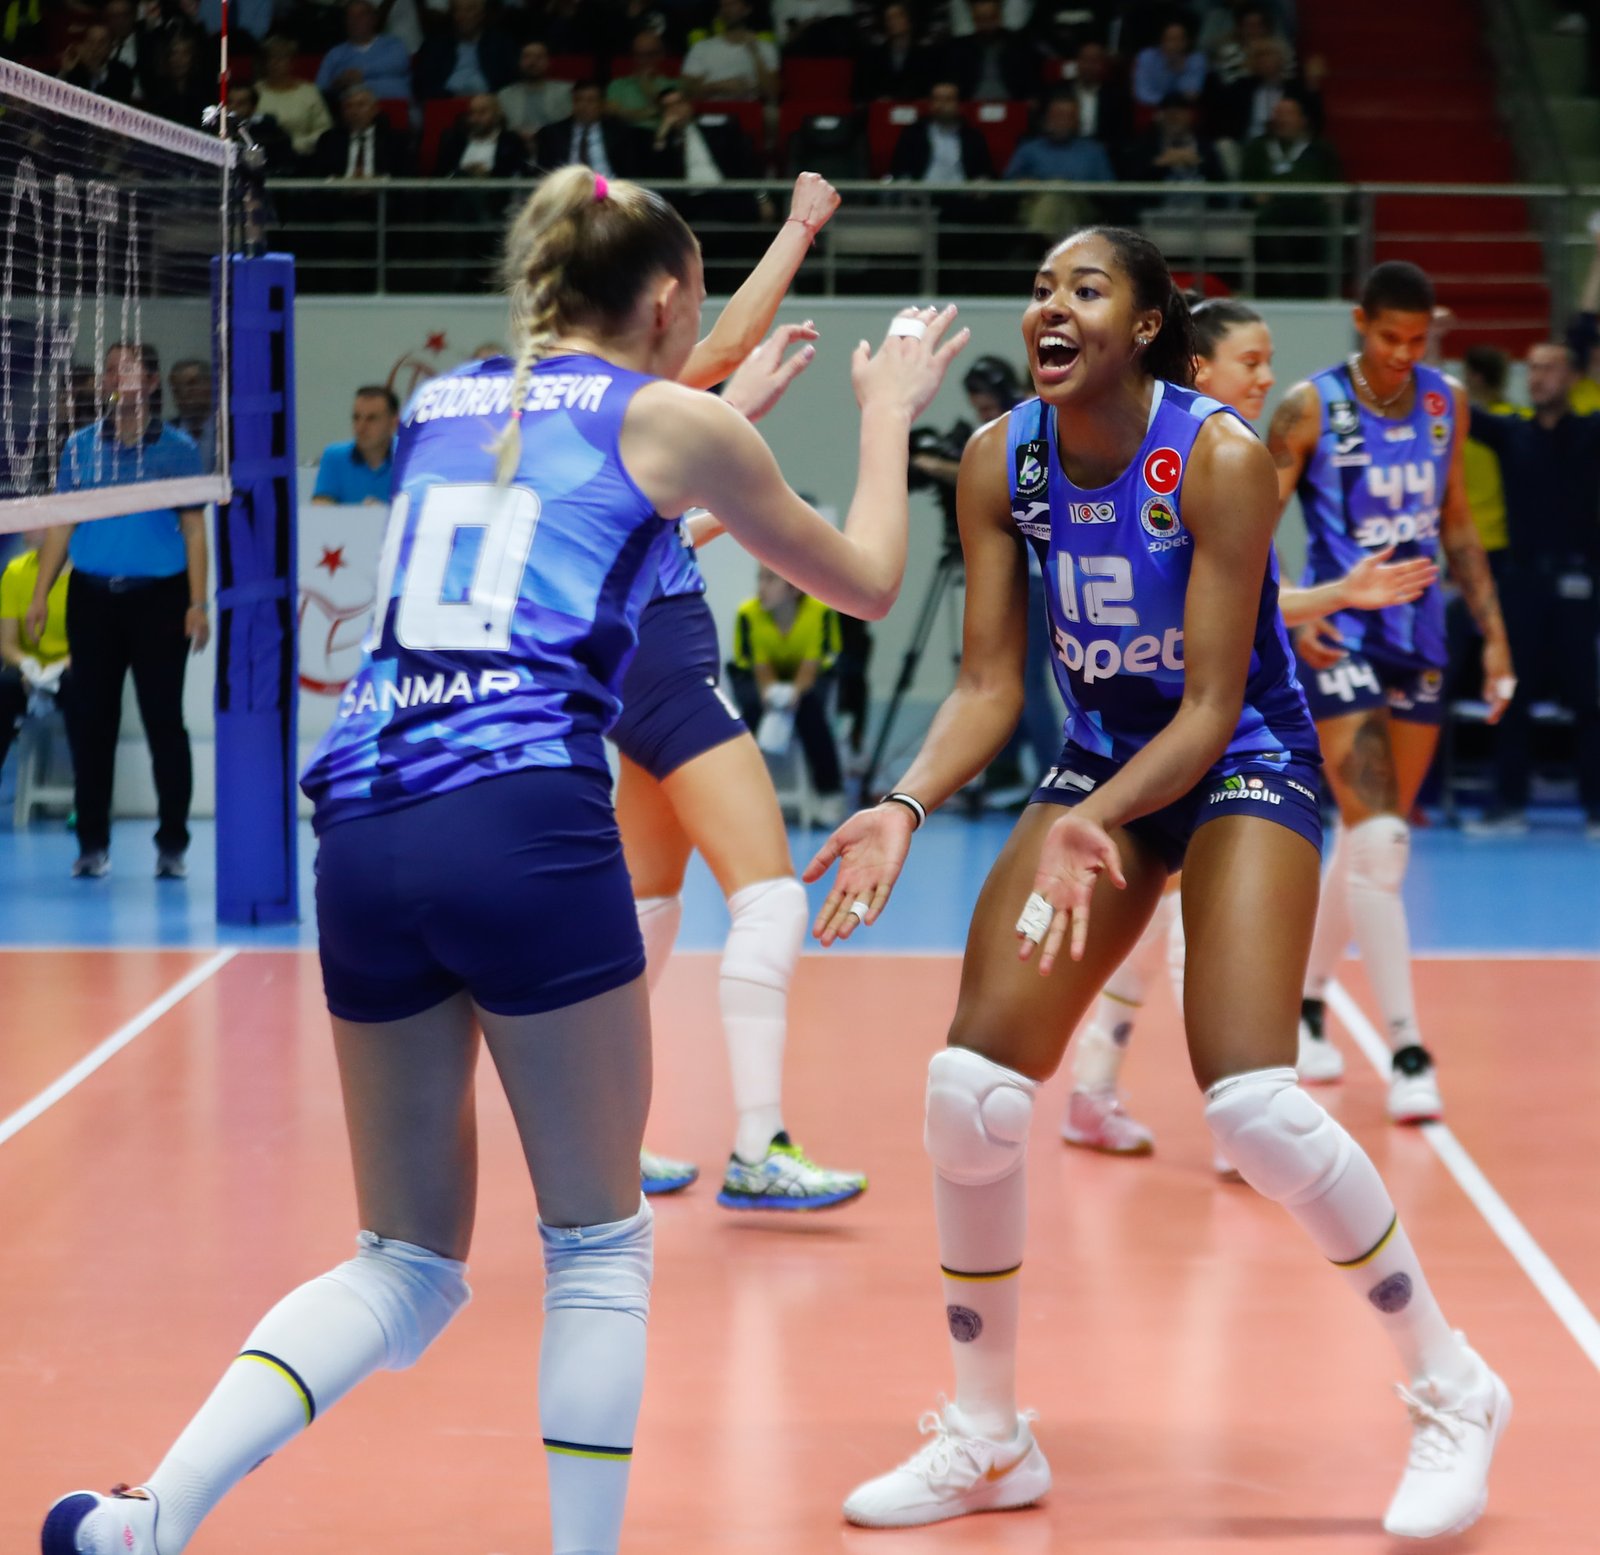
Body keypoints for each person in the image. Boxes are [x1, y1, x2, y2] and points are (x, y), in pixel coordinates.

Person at [40, 165, 967, 1555]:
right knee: (596, 1246)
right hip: (521, 817)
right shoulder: (680, 420)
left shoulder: (446, 404)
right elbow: (874, 579)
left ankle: (149, 1516)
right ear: (670, 299)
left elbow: (593, 462)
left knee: (402, 1260)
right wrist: (887, 412)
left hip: (362, 819)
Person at [805, 226, 1509, 1542]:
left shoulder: (1219, 458)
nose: (1050, 306)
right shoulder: (1001, 458)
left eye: (1085, 288)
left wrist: (1091, 817)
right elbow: (988, 684)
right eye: (1040, 288)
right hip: (1103, 762)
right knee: (970, 1091)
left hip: (1242, 761)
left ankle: (1454, 1385)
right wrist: (903, 803)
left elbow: (1210, 705)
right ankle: (988, 1433)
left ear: (1142, 326)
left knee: (1253, 1104)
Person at [1059, 298, 1439, 1162]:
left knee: (1163, 918)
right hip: (1169, 727)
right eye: (1253, 360)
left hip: (1202, 722)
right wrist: (1330, 600)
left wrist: (1333, 597)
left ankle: (1093, 1089)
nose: (1269, 376)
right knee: (1192, 919)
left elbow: (1250, 604)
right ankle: (1238, 1118)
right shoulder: (1186, 461)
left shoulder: (1227, 455)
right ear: (1199, 367)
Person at [607, 174, 881, 1205]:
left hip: (639, 668)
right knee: (768, 894)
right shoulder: (620, 385)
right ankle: (761, 1147)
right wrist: (801, 224)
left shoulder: (584, 409)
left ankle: (608, 1141)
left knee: (646, 909)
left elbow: (658, 531)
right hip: (666, 670)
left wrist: (739, 415)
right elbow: (725, 340)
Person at [1269, 261, 1512, 1119]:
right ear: (1359, 321)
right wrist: (1295, 609)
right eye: (1388, 337)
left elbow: (1458, 521)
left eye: (1417, 339)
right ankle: (1409, 1048)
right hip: (1340, 635)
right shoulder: (1308, 406)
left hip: (1421, 640)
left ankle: (1306, 1001)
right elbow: (1247, 521)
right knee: (1377, 839)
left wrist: (1495, 636)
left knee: (1377, 841)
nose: (1404, 354)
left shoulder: (1447, 402)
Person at [27, 341, 210, 881]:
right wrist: (40, 593)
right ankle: (91, 845)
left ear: (150, 383)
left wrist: (198, 603)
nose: (114, 378)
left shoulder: (177, 450)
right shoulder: (80, 447)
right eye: (110, 370)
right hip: (92, 599)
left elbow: (194, 530)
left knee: (164, 723)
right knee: (92, 724)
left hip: (160, 601)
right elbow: (62, 524)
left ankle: (172, 844)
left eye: (126, 370)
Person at [1462, 342, 1600, 836]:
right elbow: (1453, 408)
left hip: (1578, 581)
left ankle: (1597, 809)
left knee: (1588, 698)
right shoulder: (1512, 432)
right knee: (1511, 693)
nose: (1538, 377)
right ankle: (1509, 805)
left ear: (1573, 376)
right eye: (1533, 368)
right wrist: (1431, 346)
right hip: (1521, 582)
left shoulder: (1591, 432)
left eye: (1550, 368)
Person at [730, 565, 847, 817]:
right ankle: (737, 793)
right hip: (759, 677)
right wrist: (770, 694)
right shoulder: (748, 613)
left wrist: (794, 693)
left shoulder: (820, 611)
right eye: (760, 578)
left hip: (808, 677)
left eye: (770, 580)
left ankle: (829, 792)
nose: (761, 587)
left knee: (811, 711)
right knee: (749, 713)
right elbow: (760, 666)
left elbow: (811, 665)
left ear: (794, 588)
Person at [0, 528, 72, 774]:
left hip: (71, 668)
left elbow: (94, 643)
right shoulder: (15, 571)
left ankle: (87, 786)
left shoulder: (85, 576)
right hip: (27, 675)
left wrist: (56, 671)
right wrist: (27, 666)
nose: (26, 526)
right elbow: (6, 644)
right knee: (4, 685)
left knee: (80, 686)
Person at [413, 0, 518, 101]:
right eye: (457, 10)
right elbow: (422, 83)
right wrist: (448, 96)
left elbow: (510, 82)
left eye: (469, 10)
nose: (462, 16)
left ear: (481, 14)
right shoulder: (436, 44)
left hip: (488, 103)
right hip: (446, 102)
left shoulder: (500, 43)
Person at [312, 385, 399, 504]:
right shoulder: (334, 457)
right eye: (356, 418)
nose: (360, 427)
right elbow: (320, 509)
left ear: (393, 423)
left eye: (371, 419)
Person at [315, 0, 414, 103]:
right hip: (352, 108)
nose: (355, 20)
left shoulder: (394, 45)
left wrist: (361, 73)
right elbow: (319, 89)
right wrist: (336, 84)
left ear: (374, 19)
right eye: (350, 16)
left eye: (362, 15)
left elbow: (399, 64)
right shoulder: (334, 54)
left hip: (395, 105)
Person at [536, 80, 640, 178]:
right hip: (567, 188)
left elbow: (630, 172)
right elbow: (544, 172)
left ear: (602, 105)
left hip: (610, 187)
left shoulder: (620, 133)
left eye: (591, 101)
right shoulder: (552, 133)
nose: (583, 106)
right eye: (578, 100)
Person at [681, 0, 778, 105]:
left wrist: (755, 53)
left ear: (747, 9)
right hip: (711, 110)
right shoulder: (701, 48)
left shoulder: (765, 48)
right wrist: (719, 86)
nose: (726, 9)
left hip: (751, 110)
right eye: (723, 6)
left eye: (732, 4)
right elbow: (686, 93)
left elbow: (772, 94)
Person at [254, 34, 333, 160]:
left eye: (281, 58)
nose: (275, 62)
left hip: (303, 157)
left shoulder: (309, 92)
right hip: (260, 157)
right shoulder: (254, 91)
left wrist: (295, 145)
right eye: (271, 57)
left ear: (292, 62)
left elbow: (324, 130)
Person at [946, 0, 1040, 103]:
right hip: (971, 104)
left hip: (1012, 103)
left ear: (999, 17)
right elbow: (953, 81)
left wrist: (1032, 97)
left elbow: (1031, 78)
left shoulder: (1018, 45)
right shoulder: (960, 48)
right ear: (974, 20)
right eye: (981, 19)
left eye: (991, 18)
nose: (987, 24)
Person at [854, 1, 938, 104]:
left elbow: (931, 86)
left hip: (916, 107)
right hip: (883, 108)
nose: (893, 22)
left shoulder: (925, 55)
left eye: (898, 16)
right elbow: (863, 90)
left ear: (909, 20)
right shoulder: (874, 56)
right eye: (889, 19)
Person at [499, 40, 575, 150]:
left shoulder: (567, 91)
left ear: (548, 62)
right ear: (519, 62)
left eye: (539, 57)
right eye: (527, 57)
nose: (532, 62)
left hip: (557, 148)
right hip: (516, 149)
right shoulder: (504, 95)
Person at [606, 30, 677, 132]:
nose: (644, 60)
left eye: (650, 54)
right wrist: (656, 110)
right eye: (639, 55)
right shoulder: (618, 85)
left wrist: (646, 86)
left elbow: (673, 114)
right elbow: (613, 114)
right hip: (626, 135)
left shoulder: (674, 84)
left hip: (662, 135)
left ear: (661, 54)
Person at [1132, 18, 1206, 107]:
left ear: (1187, 41)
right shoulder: (1147, 56)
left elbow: (1190, 95)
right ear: (1161, 41)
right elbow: (1142, 92)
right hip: (1151, 107)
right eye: (1170, 39)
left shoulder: (1196, 59)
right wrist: (1165, 101)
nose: (1175, 44)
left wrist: (1179, 71)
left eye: (1180, 39)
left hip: (1181, 108)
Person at [59, 21, 138, 102]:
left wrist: (95, 71)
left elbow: (117, 101)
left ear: (110, 47)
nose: (95, 47)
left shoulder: (122, 72)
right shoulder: (74, 67)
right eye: (90, 41)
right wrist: (65, 72)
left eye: (101, 42)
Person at [166, 358, 216, 472]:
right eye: (177, 389)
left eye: (192, 384)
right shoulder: (166, 434)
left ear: (210, 384)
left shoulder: (228, 430)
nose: (184, 392)